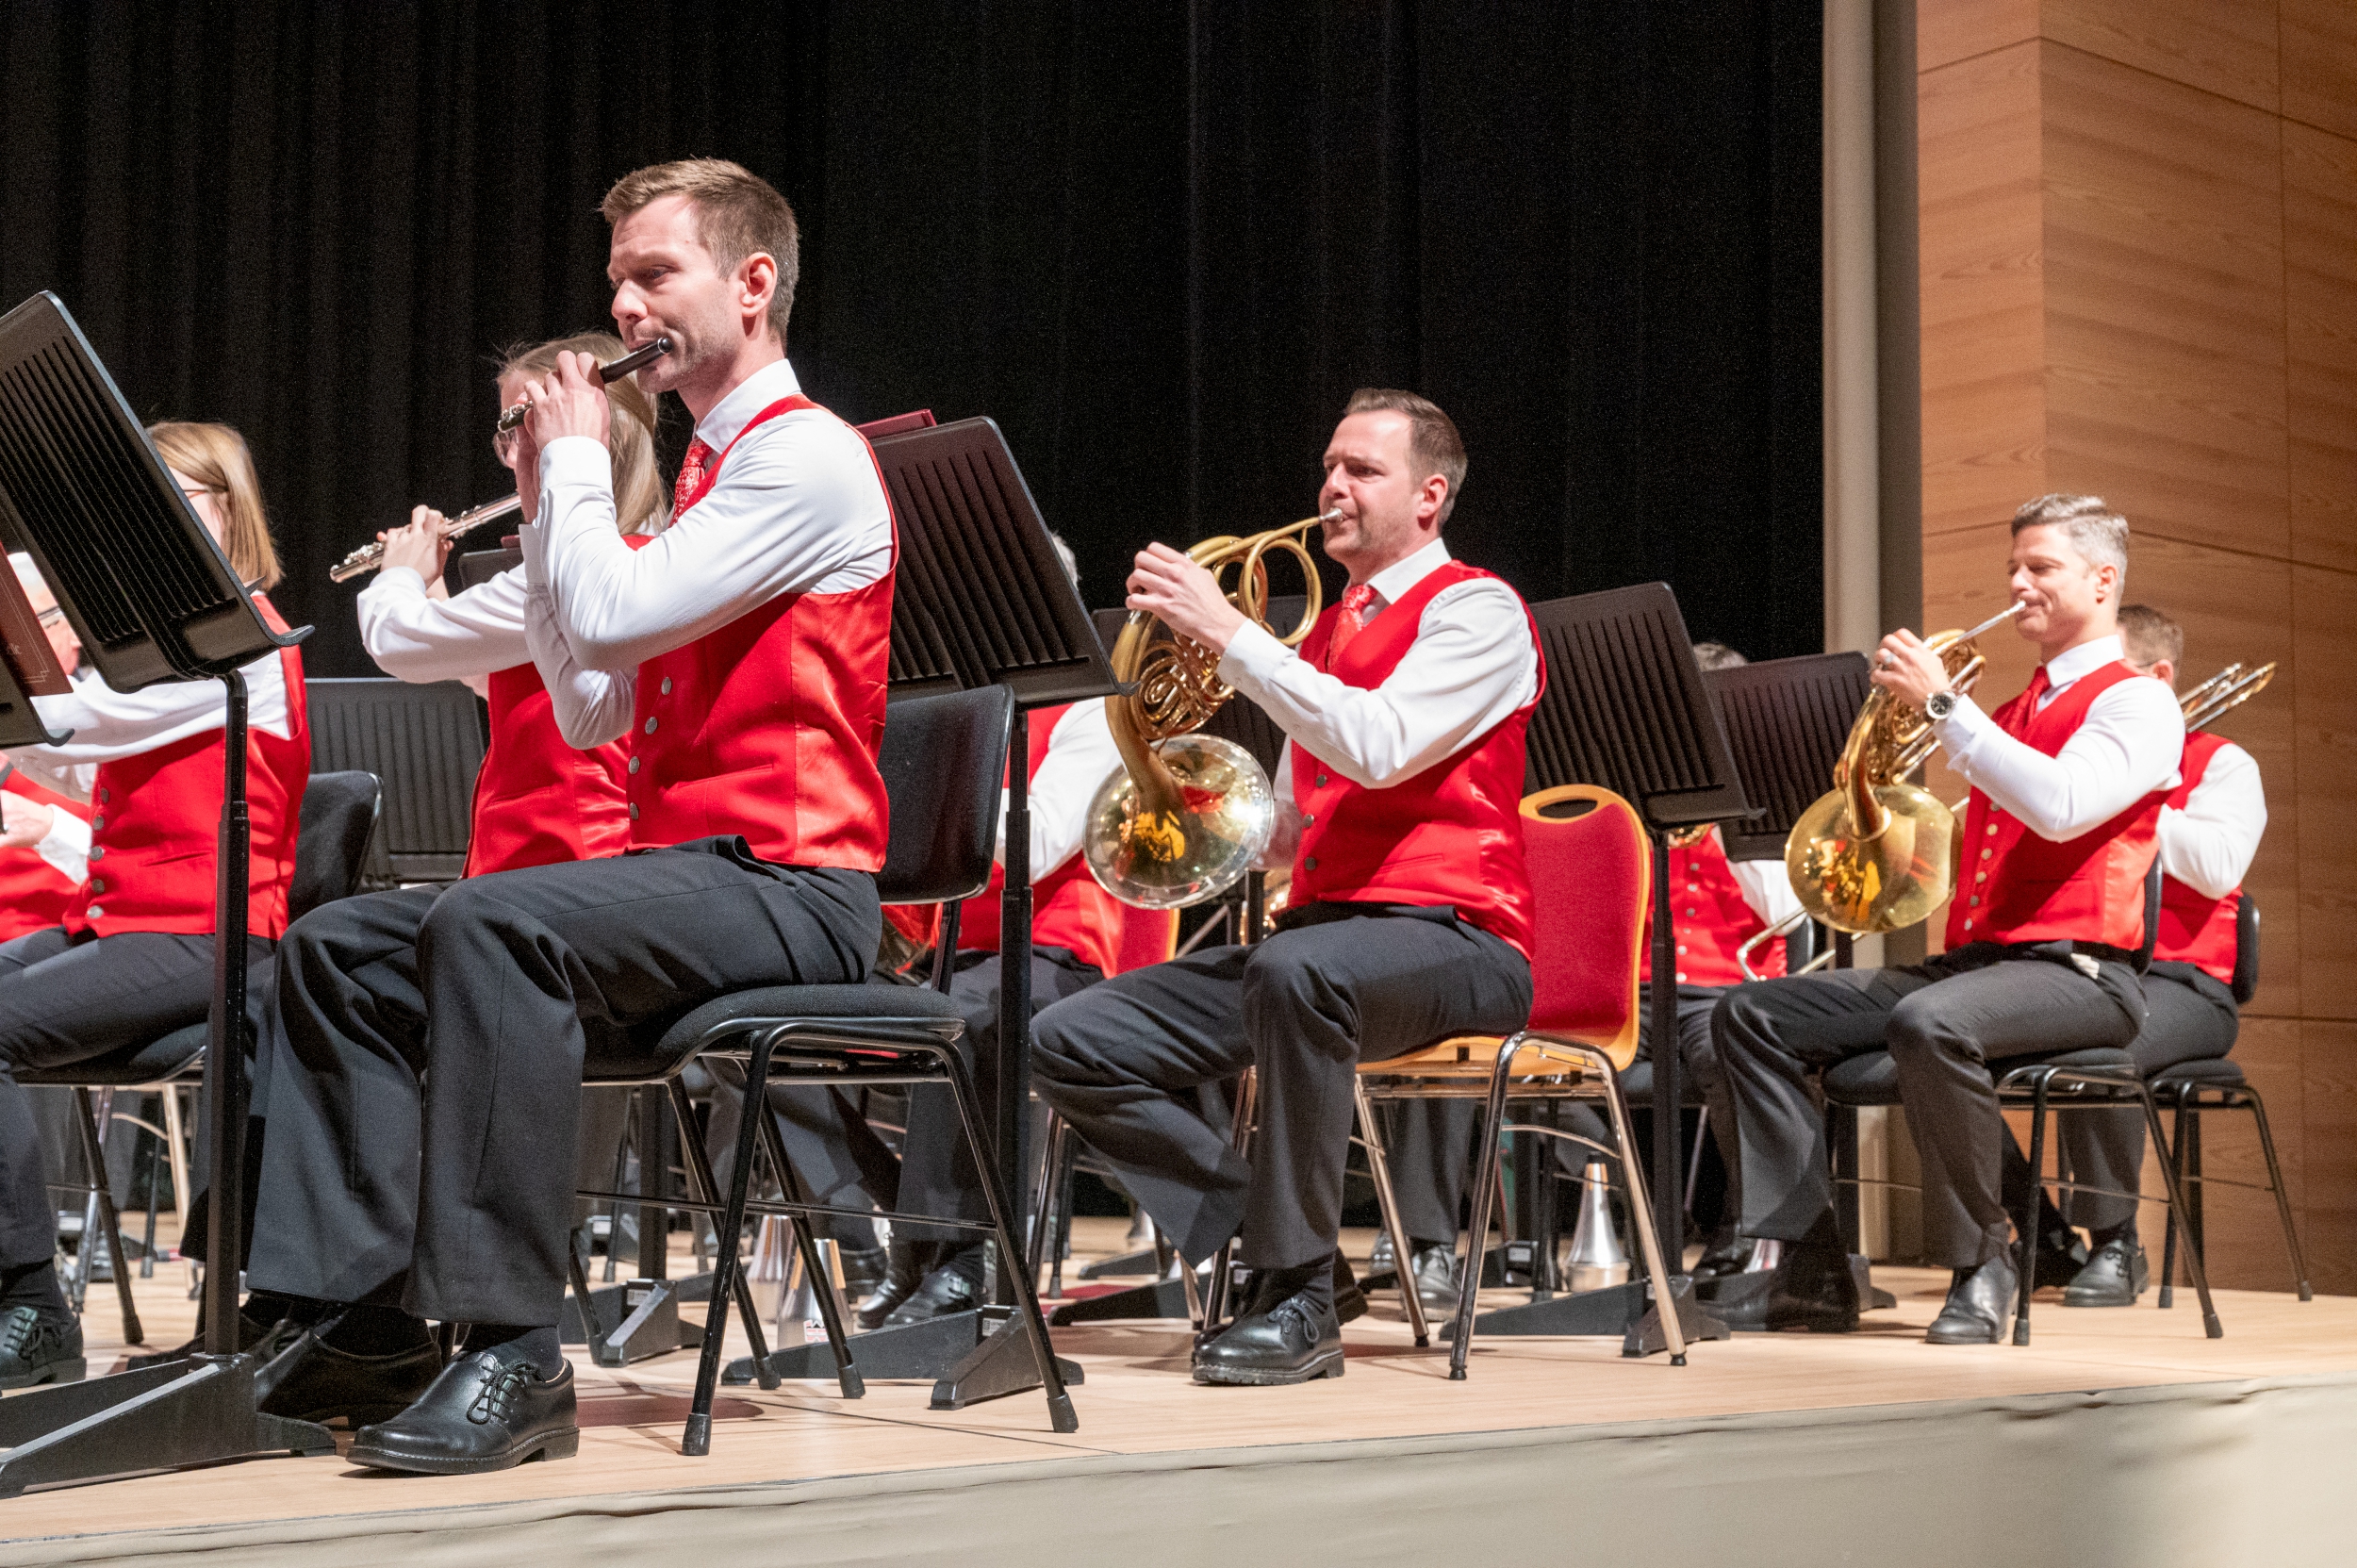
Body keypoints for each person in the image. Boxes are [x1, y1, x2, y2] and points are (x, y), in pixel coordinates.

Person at [248, 157, 895, 1475]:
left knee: (492, 922)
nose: (627, 309)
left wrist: (584, 469)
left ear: (752, 283)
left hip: (795, 882)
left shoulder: (807, 454)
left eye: (655, 275)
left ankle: (515, 1348)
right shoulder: (711, 472)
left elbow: (608, 622)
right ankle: (362, 1318)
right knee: (340, 947)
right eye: (618, 283)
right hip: (698, 875)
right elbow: (597, 707)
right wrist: (550, 512)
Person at [1033, 388, 1541, 1386]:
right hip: (1322, 943)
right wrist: (1163, 794)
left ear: (1430, 496)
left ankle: (1298, 1293)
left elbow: (1379, 745)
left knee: (1298, 972)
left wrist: (1232, 636)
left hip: (1463, 939)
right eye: (1330, 467)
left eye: (1364, 470)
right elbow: (1286, 831)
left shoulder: (1478, 609)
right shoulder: (1320, 636)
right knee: (1070, 1038)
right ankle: (1266, 1240)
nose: (1332, 487)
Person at [244, 332, 668, 1422]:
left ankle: (441, 1321)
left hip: (581, 888)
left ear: (596, 432)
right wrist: (446, 583)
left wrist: (402, 569)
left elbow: (398, 642)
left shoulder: (607, 567)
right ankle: (347, 1304)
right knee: (324, 950)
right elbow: (484, 664)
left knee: (404, 948)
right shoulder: (554, 578)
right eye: (506, 425)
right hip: (503, 888)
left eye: (523, 421)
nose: (505, 446)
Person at [1712, 494, 2182, 1344]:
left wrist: (1941, 707)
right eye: (2014, 567)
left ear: (2103, 580)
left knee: (1929, 1021)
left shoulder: (2139, 703)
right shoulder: (2013, 709)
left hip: (2083, 973)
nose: (2018, 583)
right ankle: (1812, 1268)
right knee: (1748, 1012)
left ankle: (1986, 1259)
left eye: (2041, 567)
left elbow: (2063, 806)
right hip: (1982, 966)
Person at [0, 423, 307, 1389]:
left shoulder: (243, 638)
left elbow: (85, 723)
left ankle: (31, 1303)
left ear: (229, 509)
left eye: (179, 497)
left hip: (209, 934)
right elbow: (82, 752)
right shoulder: (161, 651)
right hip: (129, 923)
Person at [864, 534, 1125, 1328]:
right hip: (953, 953)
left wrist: (924, 794)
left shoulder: (1091, 712)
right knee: (772, 1013)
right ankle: (906, 1232)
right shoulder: (959, 708)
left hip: (1056, 954)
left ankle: (963, 1260)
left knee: (968, 1015)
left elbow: (1039, 844)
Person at [2032, 603, 2265, 1307]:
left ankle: (2117, 1243)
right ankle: (2041, 1235)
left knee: (2100, 1049)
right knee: (1950, 1045)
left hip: (2189, 985)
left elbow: (2220, 868)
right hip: (2086, 968)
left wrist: (2130, 795)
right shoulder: (2071, 758)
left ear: (2157, 679)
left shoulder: (2223, 763)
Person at [0, 558, 93, 944]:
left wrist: (49, 829)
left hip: (61, 949)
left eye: (19, 628)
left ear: (75, 628)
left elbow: (147, 880)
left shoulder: (119, 735)